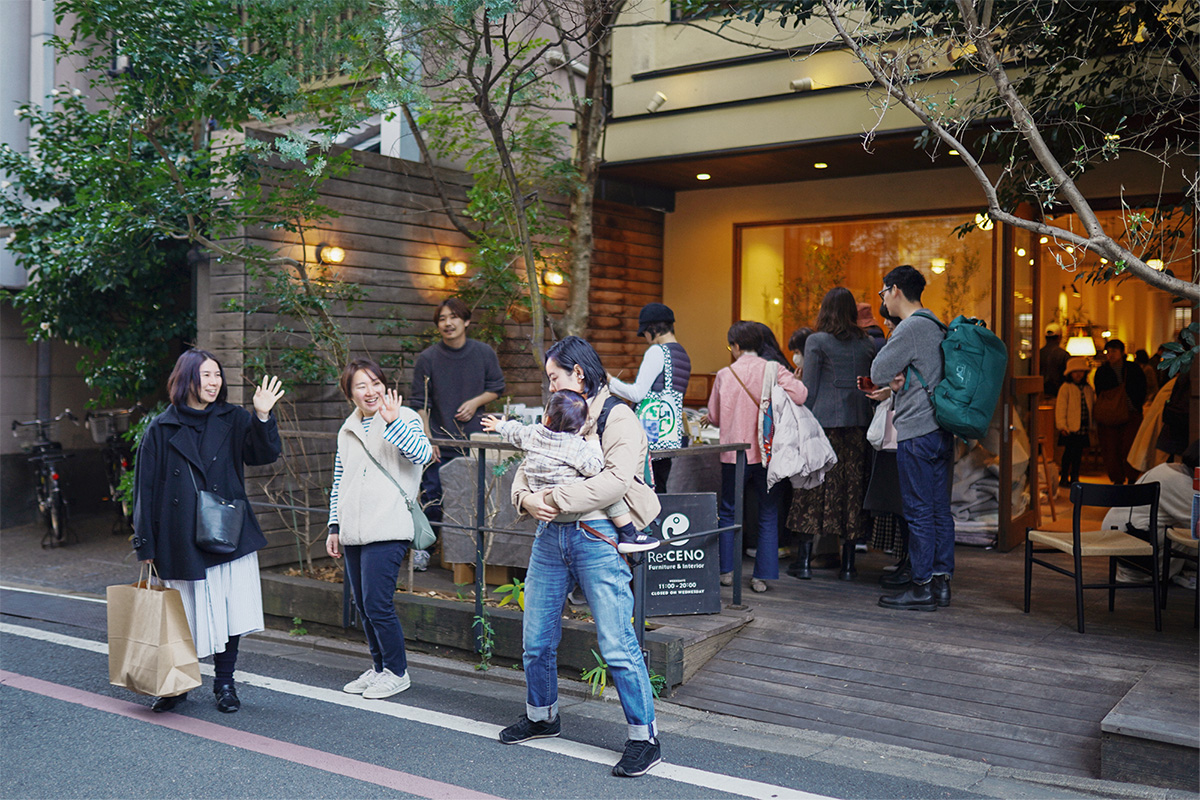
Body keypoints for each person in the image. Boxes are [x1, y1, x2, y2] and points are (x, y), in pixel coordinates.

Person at [499, 336, 663, 779]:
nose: (549, 385)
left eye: (554, 376)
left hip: (598, 537)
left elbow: (615, 483)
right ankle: (542, 716)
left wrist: (548, 496)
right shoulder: (559, 413)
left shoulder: (618, 416)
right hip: (550, 536)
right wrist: (525, 501)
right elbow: (526, 464)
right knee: (536, 639)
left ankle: (644, 739)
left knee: (616, 643)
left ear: (579, 373)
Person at [132, 348, 284, 713]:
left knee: (228, 610)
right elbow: (145, 489)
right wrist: (145, 543)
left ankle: (225, 683)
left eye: (217, 375)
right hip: (177, 533)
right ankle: (175, 684)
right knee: (180, 612)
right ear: (186, 379)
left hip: (224, 528)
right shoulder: (161, 426)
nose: (214, 382)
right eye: (206, 375)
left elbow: (263, 455)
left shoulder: (233, 418)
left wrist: (262, 416)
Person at [326, 358, 432, 700]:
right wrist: (334, 525)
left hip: (388, 524)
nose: (370, 391)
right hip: (354, 528)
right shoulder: (348, 428)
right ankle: (379, 668)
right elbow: (340, 480)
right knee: (363, 604)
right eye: (361, 385)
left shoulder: (404, 416)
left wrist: (392, 423)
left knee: (377, 603)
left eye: (375, 383)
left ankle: (397, 672)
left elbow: (423, 455)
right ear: (350, 393)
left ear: (385, 386)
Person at [868, 265, 955, 612]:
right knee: (938, 512)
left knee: (918, 513)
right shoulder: (937, 325)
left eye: (882, 293)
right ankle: (940, 584)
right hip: (941, 431)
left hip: (917, 431)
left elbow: (877, 371)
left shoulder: (910, 328)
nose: (883, 299)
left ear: (895, 291)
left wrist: (891, 378)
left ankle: (920, 587)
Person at [481, 390, 658, 553]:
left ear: (546, 418)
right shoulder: (575, 446)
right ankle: (629, 535)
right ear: (579, 426)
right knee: (612, 498)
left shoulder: (531, 434)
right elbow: (593, 467)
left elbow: (514, 431)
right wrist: (593, 442)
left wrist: (498, 425)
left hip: (538, 490)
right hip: (567, 491)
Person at [705, 321, 808, 593]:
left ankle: (726, 572)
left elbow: (714, 416)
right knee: (768, 511)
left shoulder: (725, 375)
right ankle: (761, 576)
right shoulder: (773, 369)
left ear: (737, 346)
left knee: (728, 511)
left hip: (733, 455)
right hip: (767, 453)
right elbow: (802, 394)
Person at [787, 287, 877, 581]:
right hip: (858, 426)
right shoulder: (867, 343)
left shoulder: (817, 341)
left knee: (812, 489)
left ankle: (802, 563)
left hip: (822, 426)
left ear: (825, 310)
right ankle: (849, 566)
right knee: (851, 491)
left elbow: (809, 390)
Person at [409, 297, 505, 530]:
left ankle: (468, 553)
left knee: (474, 498)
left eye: (454, 317)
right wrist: (427, 438)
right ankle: (426, 550)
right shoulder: (428, 358)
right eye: (442, 319)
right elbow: (420, 403)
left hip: (475, 441)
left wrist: (475, 403)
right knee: (433, 496)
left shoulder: (483, 353)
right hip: (438, 442)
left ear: (466, 321)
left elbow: (497, 388)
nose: (448, 323)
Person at [607, 302, 691, 493]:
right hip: (669, 432)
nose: (644, 337)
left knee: (644, 488)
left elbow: (638, 393)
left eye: (644, 332)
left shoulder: (657, 352)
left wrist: (610, 380)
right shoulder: (683, 355)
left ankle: (647, 523)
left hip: (650, 432)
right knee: (660, 484)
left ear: (653, 328)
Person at [1103, 440, 1198, 585]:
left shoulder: (1168, 468)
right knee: (1187, 530)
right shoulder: (1181, 482)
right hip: (1135, 538)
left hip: (1118, 534)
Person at [1093, 339, 1147, 485]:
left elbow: (1142, 389)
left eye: (1114, 351)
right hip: (1110, 416)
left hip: (1131, 413)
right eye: (1108, 351)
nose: (1110, 354)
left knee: (1129, 447)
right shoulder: (1103, 371)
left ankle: (1131, 477)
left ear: (1122, 352)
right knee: (1111, 449)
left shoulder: (1133, 369)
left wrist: (1135, 405)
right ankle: (1117, 479)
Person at [1055, 356, 1095, 488]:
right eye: (1075, 371)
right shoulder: (1066, 388)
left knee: (1078, 453)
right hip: (1070, 427)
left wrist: (1092, 425)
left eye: (1081, 371)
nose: (1078, 374)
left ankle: (1075, 476)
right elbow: (1061, 407)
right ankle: (1064, 476)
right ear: (1070, 373)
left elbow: (1091, 407)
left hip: (1083, 426)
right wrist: (1062, 425)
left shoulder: (1088, 389)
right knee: (1068, 453)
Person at [1040, 325, 1070, 398]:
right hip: (1059, 394)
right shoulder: (1064, 355)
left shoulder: (1037, 354)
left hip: (1039, 395)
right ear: (1059, 337)